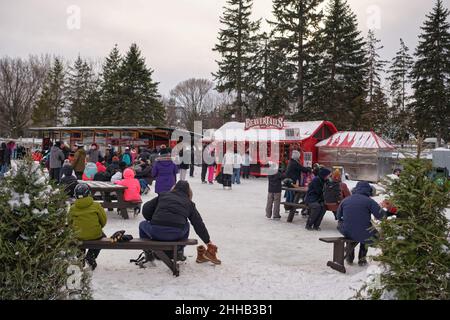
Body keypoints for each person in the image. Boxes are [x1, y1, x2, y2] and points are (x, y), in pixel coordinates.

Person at [140, 181, 220, 264]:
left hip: (155, 231)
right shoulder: (189, 203)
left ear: (174, 188)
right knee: (186, 225)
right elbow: (198, 224)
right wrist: (207, 242)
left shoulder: (163, 195)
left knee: (142, 224)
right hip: (176, 234)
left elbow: (146, 209)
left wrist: (152, 219)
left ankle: (148, 252)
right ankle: (179, 251)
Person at [336, 181, 394, 266]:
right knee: (365, 233)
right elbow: (381, 216)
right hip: (364, 231)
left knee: (353, 231)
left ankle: (349, 257)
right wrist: (388, 211)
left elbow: (338, 216)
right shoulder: (369, 201)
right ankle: (362, 259)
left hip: (346, 230)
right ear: (368, 190)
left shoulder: (346, 200)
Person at [69, 184, 107, 270]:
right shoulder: (96, 206)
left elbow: (69, 222)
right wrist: (97, 227)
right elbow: (103, 220)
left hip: (78, 235)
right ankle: (91, 255)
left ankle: (80, 257)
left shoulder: (72, 208)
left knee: (78, 238)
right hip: (94, 235)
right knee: (103, 237)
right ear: (88, 193)